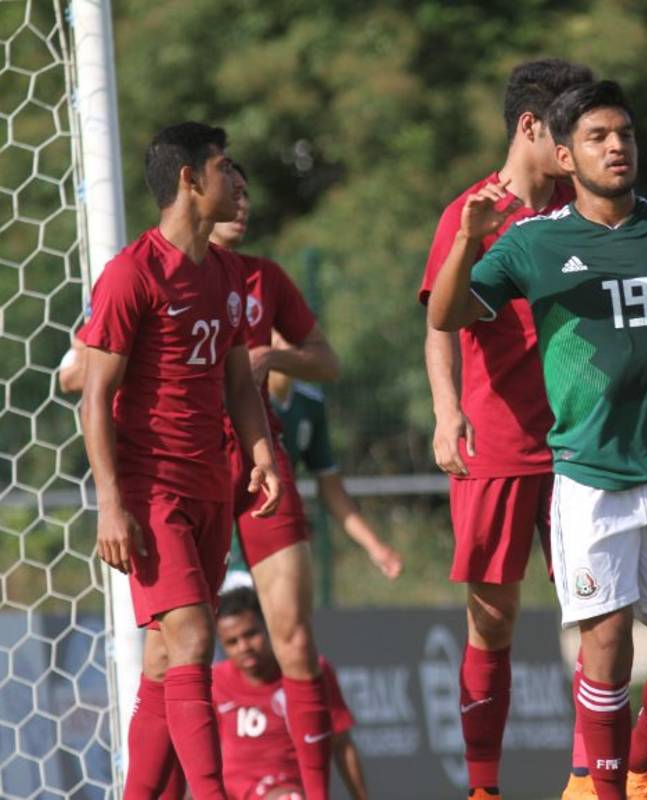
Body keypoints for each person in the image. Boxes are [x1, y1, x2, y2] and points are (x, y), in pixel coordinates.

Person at [429, 79, 647, 800]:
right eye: (597, 136)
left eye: (624, 132)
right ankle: (569, 786)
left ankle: (635, 763)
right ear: (559, 147)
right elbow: (444, 314)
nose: (616, 146)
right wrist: (469, 239)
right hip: (574, 465)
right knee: (591, 640)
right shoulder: (518, 235)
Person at [80, 121, 282, 800]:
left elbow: (237, 383)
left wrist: (260, 454)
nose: (237, 182)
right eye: (225, 168)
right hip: (150, 488)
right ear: (191, 180)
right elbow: (94, 395)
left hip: (210, 486)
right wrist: (111, 501)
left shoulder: (227, 274)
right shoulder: (132, 274)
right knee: (195, 637)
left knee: (166, 659)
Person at [418, 58, 594, 800]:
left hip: (581, 441)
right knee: (493, 620)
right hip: (495, 441)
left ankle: (592, 778)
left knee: (596, 612)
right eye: (567, 129)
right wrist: (446, 408)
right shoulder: (470, 213)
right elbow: (437, 320)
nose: (579, 145)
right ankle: (484, 788)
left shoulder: (583, 206)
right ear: (531, 127)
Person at [210, 163, 345, 800]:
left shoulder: (266, 277)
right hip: (188, 473)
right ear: (192, 191)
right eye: (230, 191)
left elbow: (327, 359)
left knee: (293, 637)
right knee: (173, 654)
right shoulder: (154, 271)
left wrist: (275, 355)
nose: (242, 203)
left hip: (265, 465)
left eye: (247, 192)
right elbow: (90, 369)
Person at [266, 339, 404, 580]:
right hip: (234, 540)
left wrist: (375, 547)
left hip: (285, 537)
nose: (291, 337)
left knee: (294, 618)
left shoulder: (310, 403)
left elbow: (330, 487)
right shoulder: (240, 396)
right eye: (281, 325)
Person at [214, 587, 367, 800]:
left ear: (268, 628)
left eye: (251, 634)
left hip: (288, 791)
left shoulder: (310, 673)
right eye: (232, 642)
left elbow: (341, 744)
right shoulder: (214, 682)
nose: (243, 647)